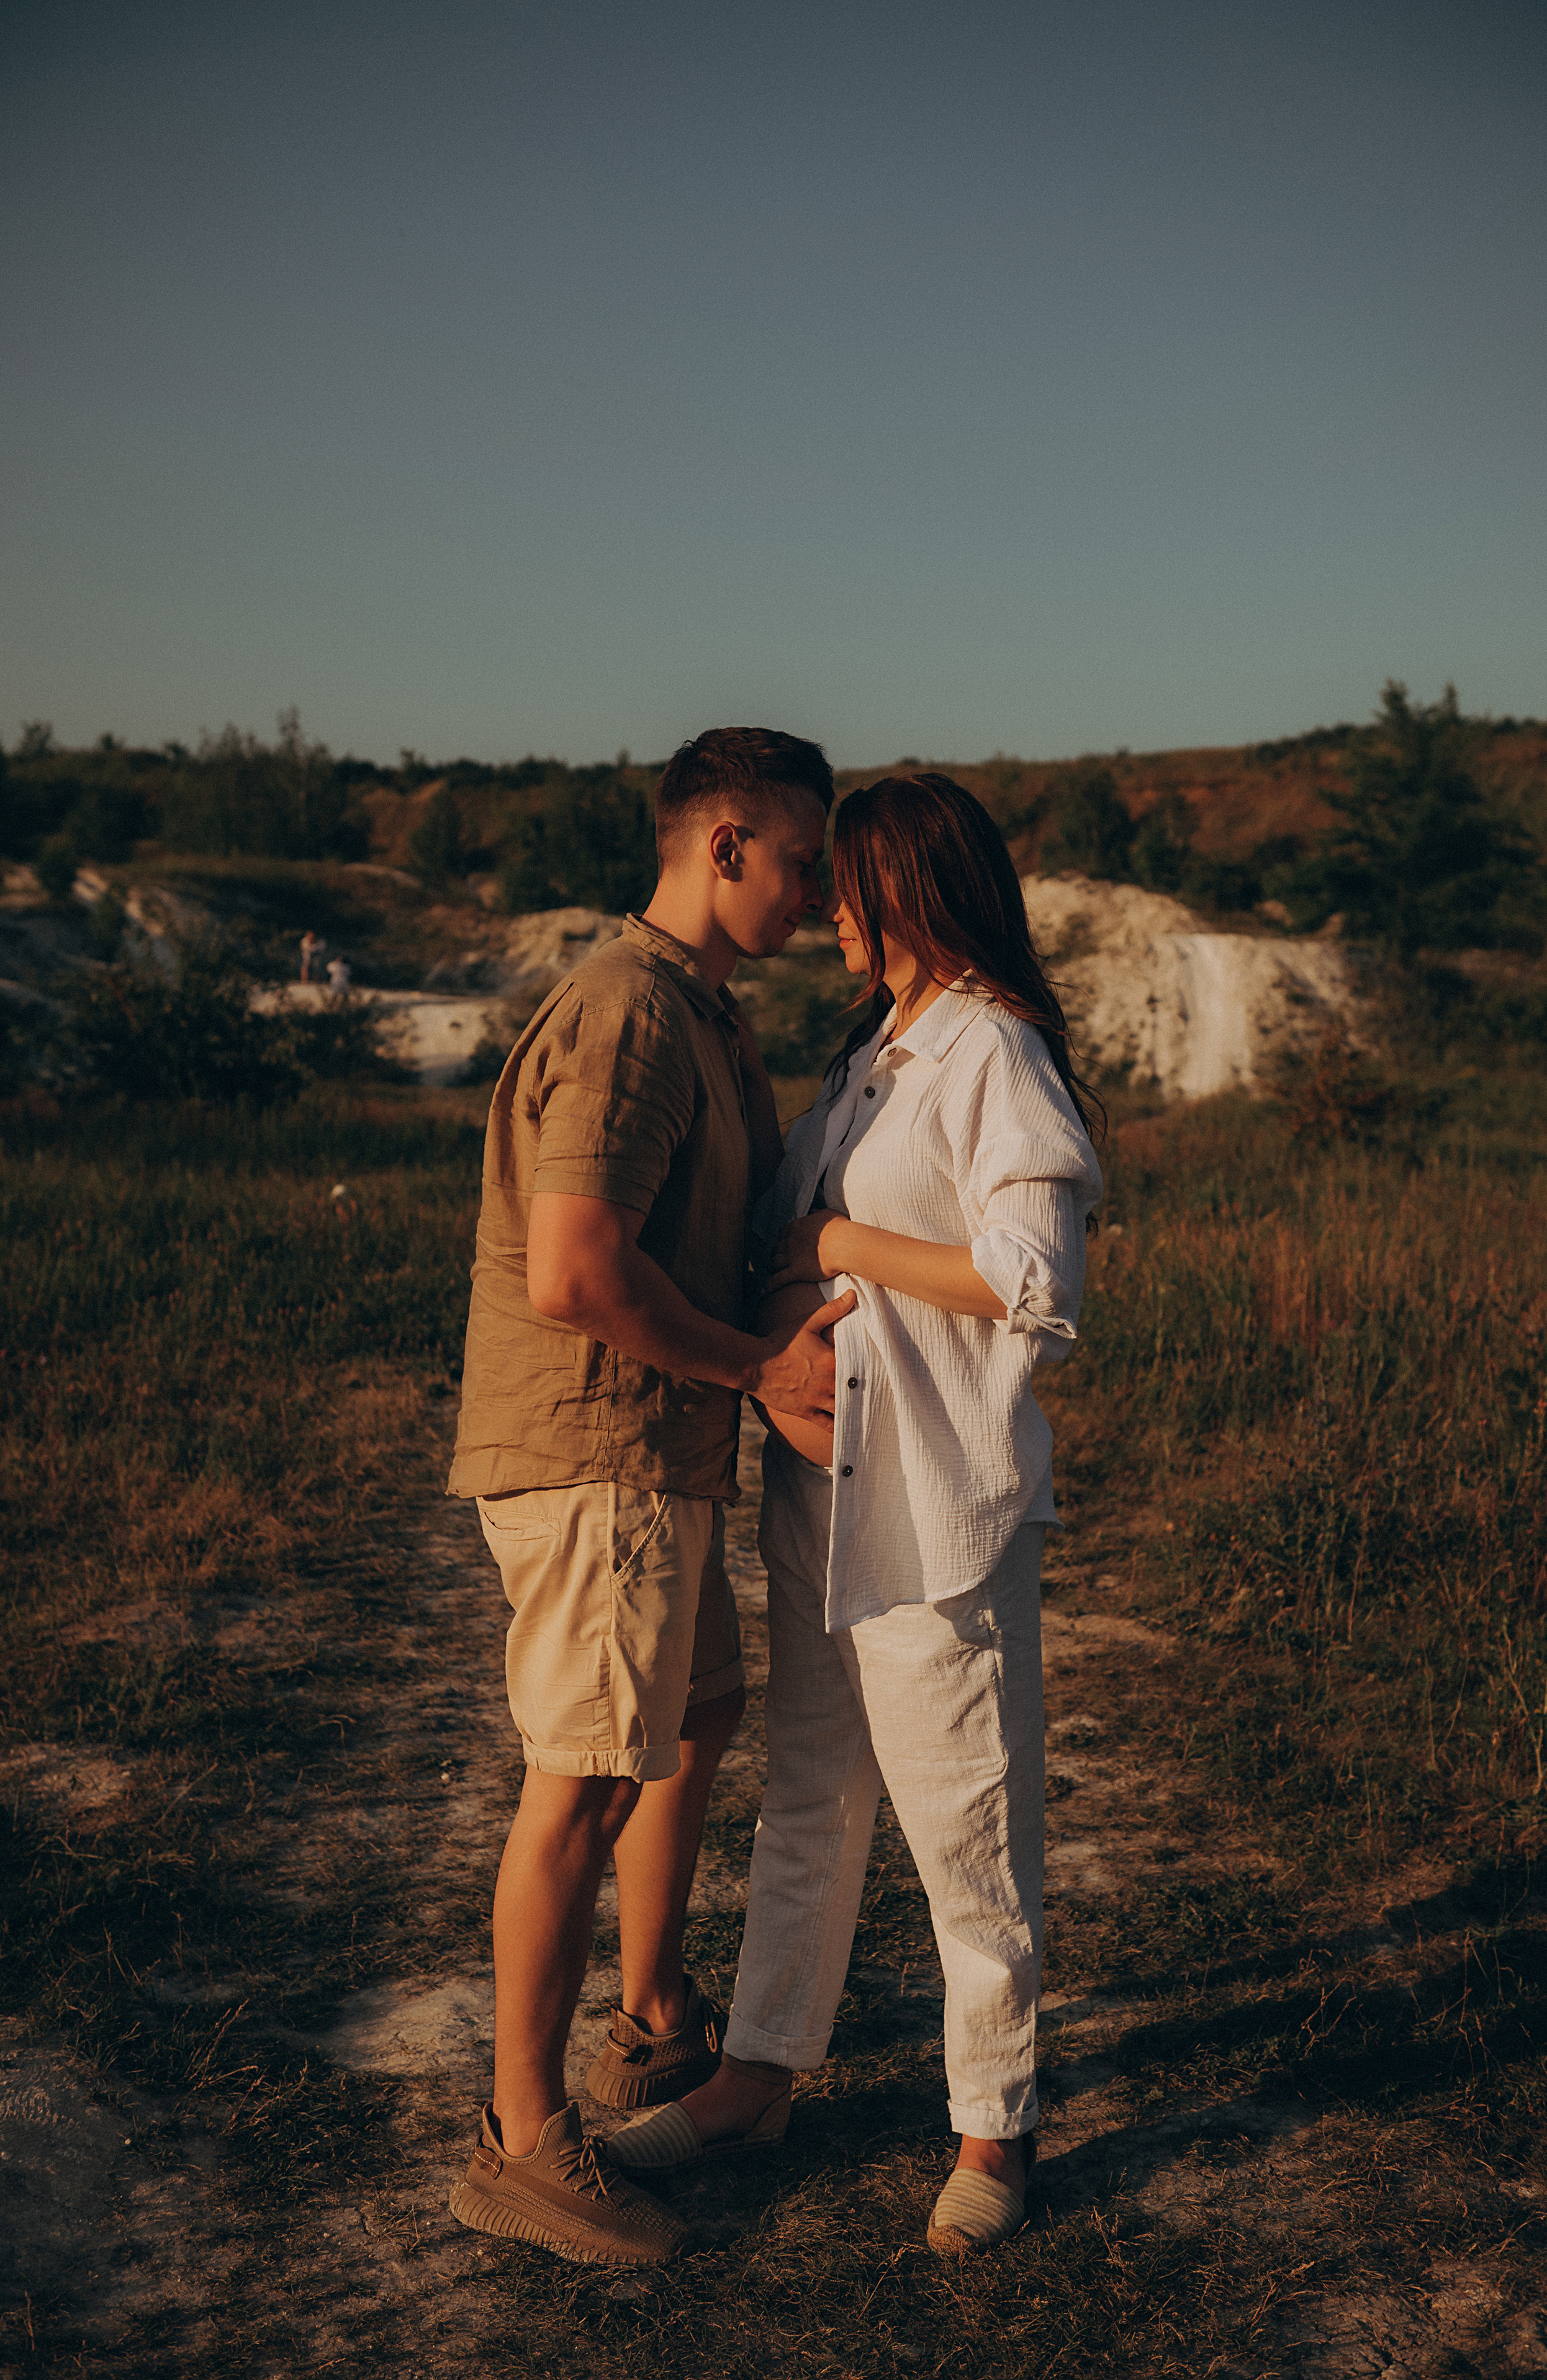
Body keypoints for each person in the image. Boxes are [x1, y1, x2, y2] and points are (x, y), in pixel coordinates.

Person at [607, 774, 1104, 2255]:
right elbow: (783, 1251)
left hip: (935, 1500)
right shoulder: (866, 1058)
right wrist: (784, 1320)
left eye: (847, 879)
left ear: (910, 886)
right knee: (808, 1794)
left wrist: (838, 1240)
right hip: (820, 1492)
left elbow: (1032, 1280)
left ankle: (993, 2126)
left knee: (967, 1822)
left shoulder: (991, 1050)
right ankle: (756, 2071)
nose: (822, 901)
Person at [445, 727, 857, 2266]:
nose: (818, 896)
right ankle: (523, 2139)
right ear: (725, 841)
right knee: (588, 1774)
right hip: (595, 1450)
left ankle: (652, 2021)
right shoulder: (628, 1014)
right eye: (803, 860)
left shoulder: (702, 1013)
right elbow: (575, 1270)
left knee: (685, 1725)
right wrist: (757, 1367)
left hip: (655, 1453)